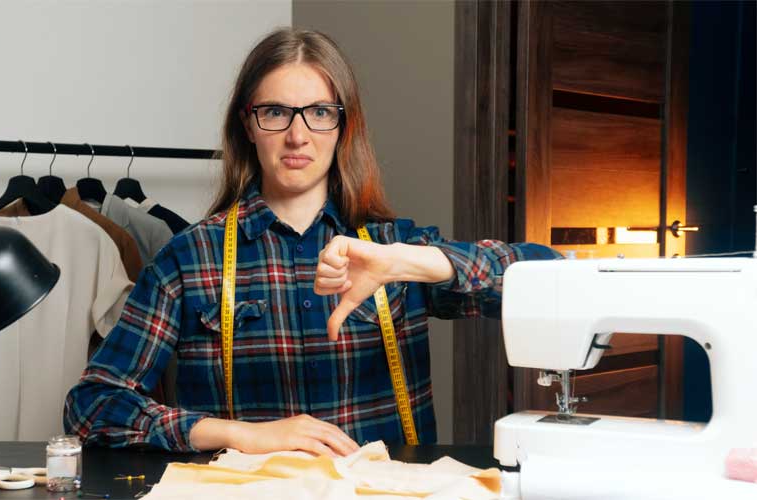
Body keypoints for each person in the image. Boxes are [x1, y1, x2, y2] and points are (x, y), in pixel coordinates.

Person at [64, 28, 560, 457]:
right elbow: (92, 407)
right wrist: (237, 435)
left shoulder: (394, 248)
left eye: (320, 112)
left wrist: (414, 262)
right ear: (248, 124)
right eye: (276, 112)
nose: (298, 135)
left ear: (343, 125)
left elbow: (548, 276)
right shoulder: (189, 259)